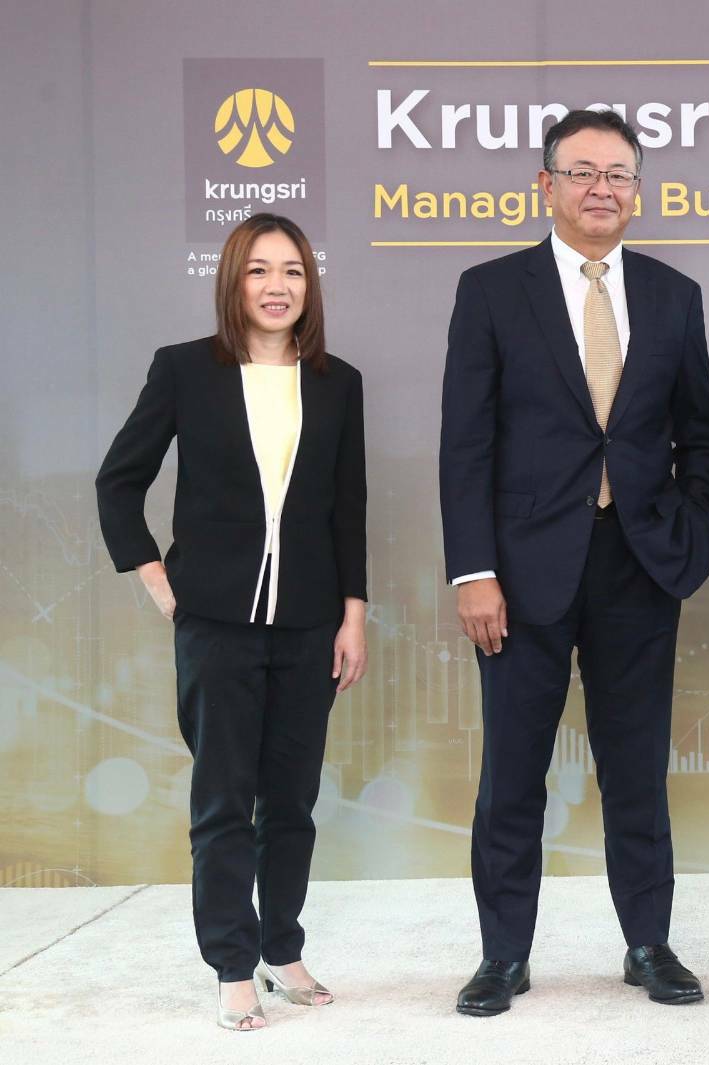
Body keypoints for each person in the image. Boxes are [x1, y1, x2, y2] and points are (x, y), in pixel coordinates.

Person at [440, 109, 709, 1016]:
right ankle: (502, 955)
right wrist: (472, 570)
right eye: (582, 172)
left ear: (637, 191)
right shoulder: (492, 290)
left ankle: (647, 943)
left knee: (635, 768)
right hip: (520, 573)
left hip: (638, 565)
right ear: (546, 185)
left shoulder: (674, 294)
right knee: (511, 773)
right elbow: (465, 444)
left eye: (618, 174)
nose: (601, 188)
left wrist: (685, 533)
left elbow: (702, 434)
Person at [96, 213, 367, 1030]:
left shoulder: (338, 382)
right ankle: (231, 964)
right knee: (223, 801)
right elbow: (119, 480)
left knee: (292, 800)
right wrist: (158, 580)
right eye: (258, 270)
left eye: (292, 270)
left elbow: (347, 509)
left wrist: (352, 616)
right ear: (232, 282)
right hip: (215, 623)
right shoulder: (184, 369)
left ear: (309, 284)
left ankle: (282, 948)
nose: (277, 286)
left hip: (310, 624)